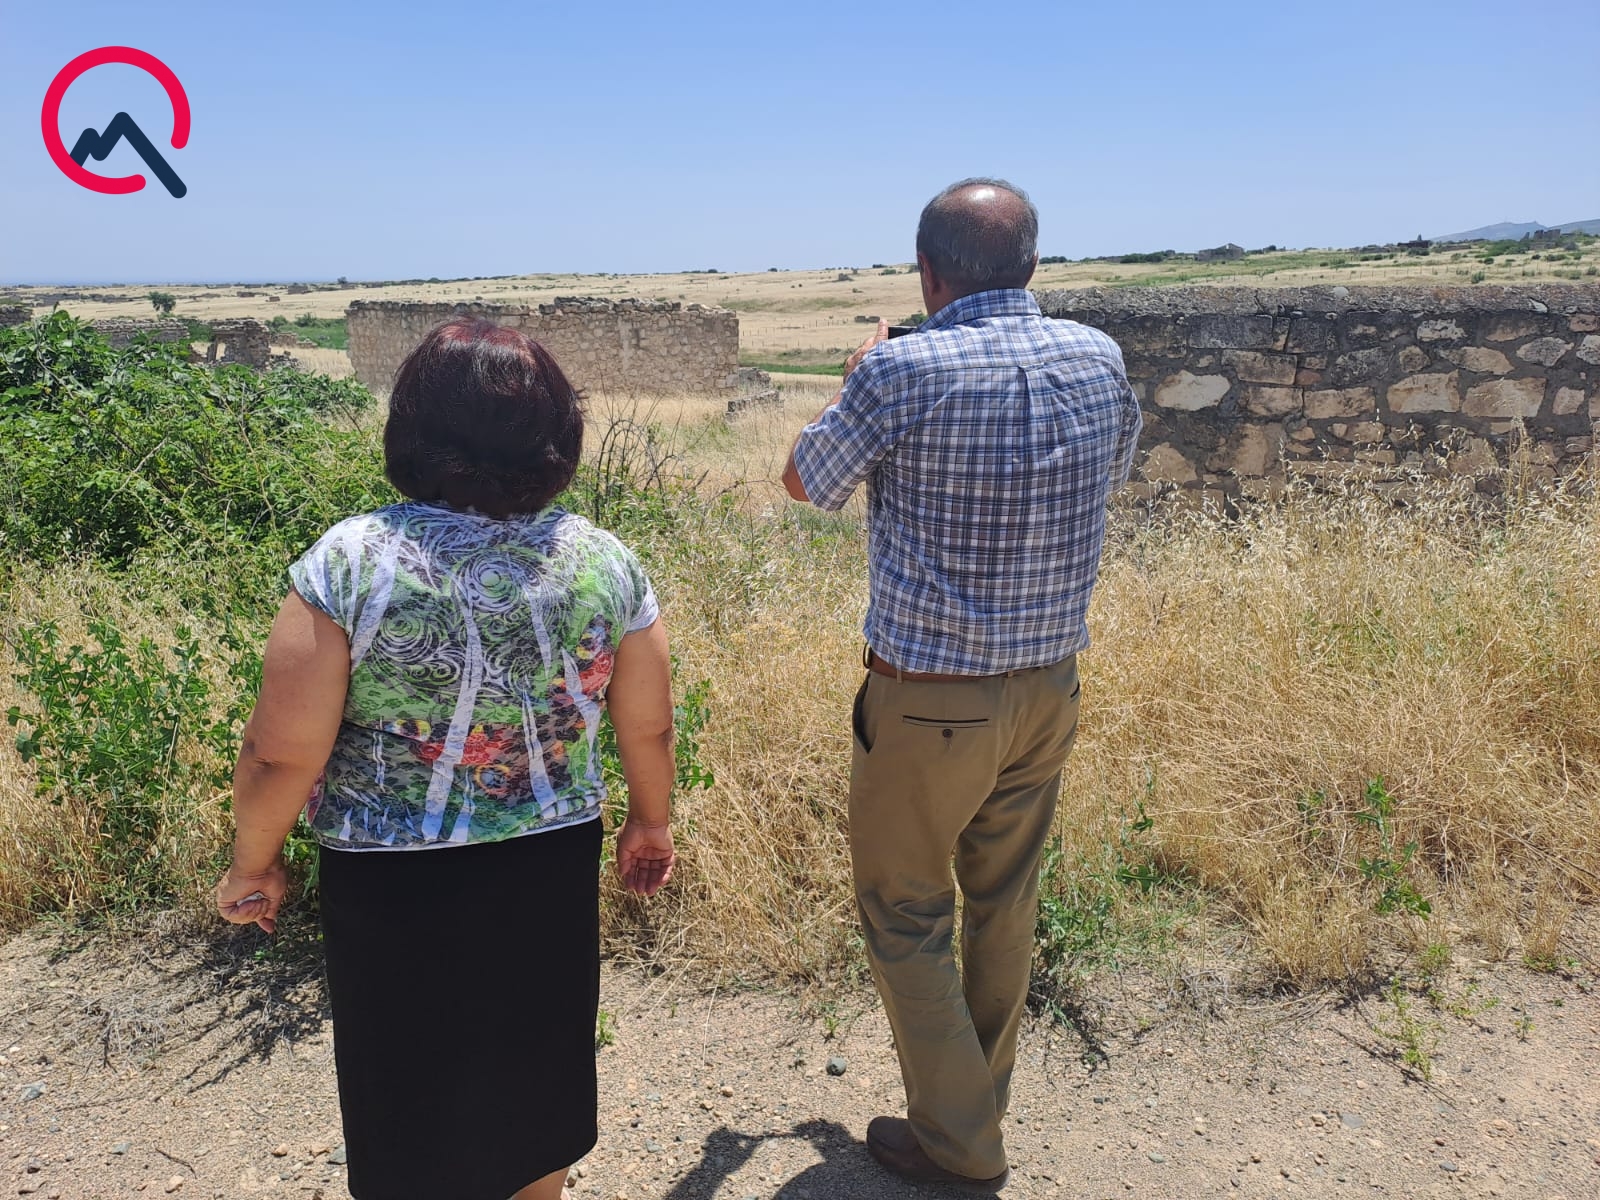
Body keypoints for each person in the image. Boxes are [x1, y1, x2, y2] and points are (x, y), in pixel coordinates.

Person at [214, 319, 678, 1200]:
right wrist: (650, 823)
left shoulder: (352, 561)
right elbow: (647, 727)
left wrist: (254, 863)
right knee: (536, 1071)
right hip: (549, 857)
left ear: (415, 429)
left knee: (408, 1092)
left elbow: (280, 756)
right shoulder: (604, 561)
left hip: (393, 880)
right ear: (556, 433)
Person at [782, 178, 1142, 1193]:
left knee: (903, 913)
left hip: (931, 699)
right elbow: (1112, 470)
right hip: (1049, 685)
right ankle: (973, 1108)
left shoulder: (900, 371)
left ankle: (960, 1144)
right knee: (1004, 902)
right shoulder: (1098, 357)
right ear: (1033, 265)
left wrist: (857, 376)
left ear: (927, 273)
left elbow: (806, 482)